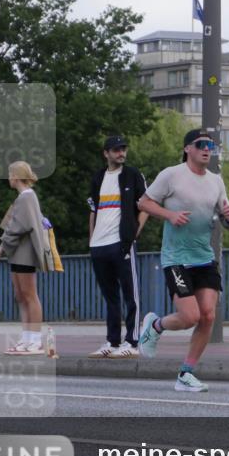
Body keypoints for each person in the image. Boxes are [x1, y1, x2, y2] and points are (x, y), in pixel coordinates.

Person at [136, 129, 229, 392]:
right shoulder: (172, 175)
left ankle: (185, 374)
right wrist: (169, 214)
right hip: (176, 258)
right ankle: (155, 325)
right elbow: (144, 203)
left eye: (210, 145)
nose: (207, 149)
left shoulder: (216, 181)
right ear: (187, 149)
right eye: (201, 144)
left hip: (204, 257)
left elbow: (227, 221)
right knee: (190, 316)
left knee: (208, 316)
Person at [86, 135, 148, 359]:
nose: (121, 153)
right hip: (99, 245)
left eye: (123, 149)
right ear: (106, 153)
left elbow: (146, 205)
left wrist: (133, 234)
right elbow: (93, 210)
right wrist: (91, 240)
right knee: (110, 295)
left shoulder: (132, 175)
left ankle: (132, 342)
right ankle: (112, 341)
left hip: (121, 242)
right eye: (116, 150)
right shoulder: (98, 177)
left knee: (131, 294)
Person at [0, 161, 54, 355]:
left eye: (10, 174)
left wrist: (0, 250)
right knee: (20, 296)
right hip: (17, 253)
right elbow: (12, 227)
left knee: (29, 296)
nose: (8, 178)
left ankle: (35, 341)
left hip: (25, 253)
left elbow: (17, 228)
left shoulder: (26, 197)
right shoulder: (22, 198)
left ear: (16, 176)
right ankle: (26, 339)